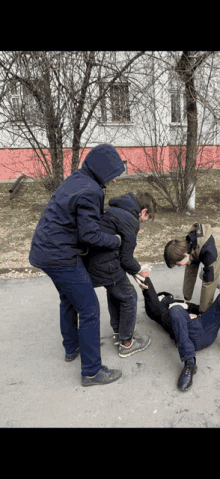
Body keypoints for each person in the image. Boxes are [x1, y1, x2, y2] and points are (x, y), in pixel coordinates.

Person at [29, 144, 127, 387]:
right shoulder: (91, 190)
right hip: (59, 256)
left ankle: (72, 348)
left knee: (68, 299)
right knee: (90, 309)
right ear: (102, 170)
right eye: (112, 174)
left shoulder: (78, 178)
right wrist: (115, 240)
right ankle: (92, 371)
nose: (113, 180)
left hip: (44, 250)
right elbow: (89, 235)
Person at [83, 191, 156, 358]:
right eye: (147, 218)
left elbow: (123, 254)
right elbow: (126, 258)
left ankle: (118, 332)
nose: (144, 222)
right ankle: (127, 343)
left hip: (94, 260)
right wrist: (139, 271)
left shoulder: (114, 210)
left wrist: (135, 270)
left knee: (115, 292)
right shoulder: (130, 220)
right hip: (106, 264)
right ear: (143, 212)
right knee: (129, 296)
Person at [138, 275, 220, 392]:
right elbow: (151, 298)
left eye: (164, 295)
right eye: (160, 296)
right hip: (191, 336)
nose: (162, 296)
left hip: (206, 327)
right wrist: (145, 279)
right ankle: (190, 364)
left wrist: (186, 306)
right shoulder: (159, 311)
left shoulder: (178, 303)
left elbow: (201, 309)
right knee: (175, 310)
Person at [164, 223, 220, 314]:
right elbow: (190, 270)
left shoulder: (209, 251)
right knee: (203, 273)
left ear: (185, 255)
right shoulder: (190, 243)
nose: (180, 266)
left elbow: (209, 283)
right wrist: (186, 299)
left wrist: (202, 313)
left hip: (217, 249)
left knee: (210, 277)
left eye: (178, 264)